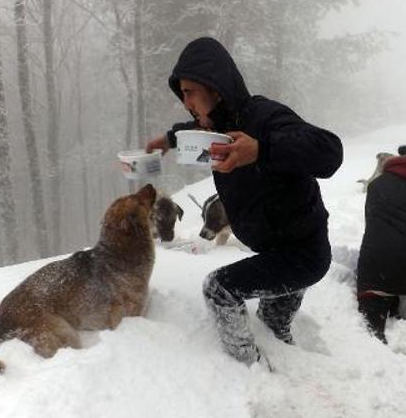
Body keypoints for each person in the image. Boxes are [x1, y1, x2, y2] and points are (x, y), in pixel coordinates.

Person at [146, 37, 343, 366]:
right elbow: (191, 129)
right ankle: (294, 370)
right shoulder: (215, 128)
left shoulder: (265, 117)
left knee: (220, 290)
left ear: (215, 88)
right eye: (182, 94)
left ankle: (247, 372)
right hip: (275, 251)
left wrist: (262, 150)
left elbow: (330, 152)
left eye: (190, 92)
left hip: (302, 254)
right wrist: (167, 140)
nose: (185, 102)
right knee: (272, 324)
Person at [356, 145, 406, 343]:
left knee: (374, 292)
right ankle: (397, 300)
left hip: (378, 263)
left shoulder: (377, 185)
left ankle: (375, 329)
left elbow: (372, 224)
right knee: (400, 270)